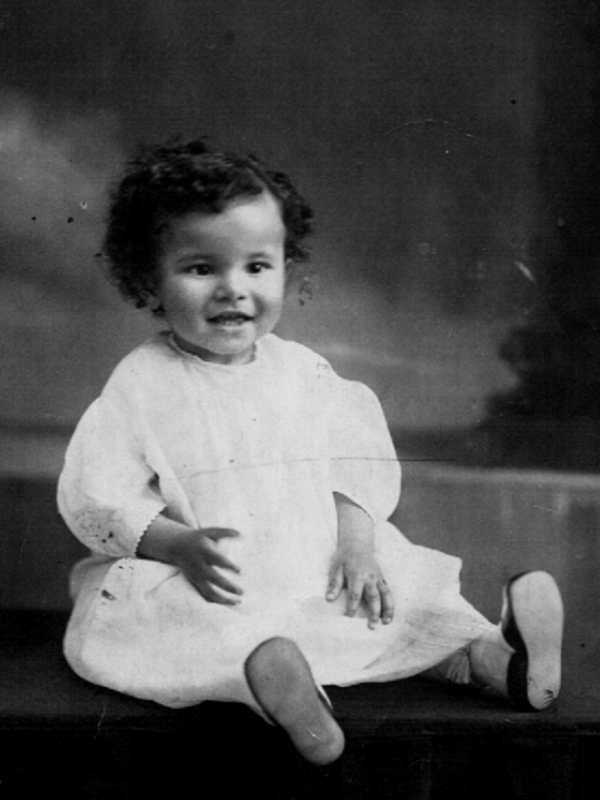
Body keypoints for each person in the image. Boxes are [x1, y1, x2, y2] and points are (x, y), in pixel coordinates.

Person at [57, 139, 564, 766]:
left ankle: (493, 659)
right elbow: (97, 491)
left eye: (256, 266)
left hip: (317, 565)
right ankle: (274, 684)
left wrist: (358, 548)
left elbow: (355, 468)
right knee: (170, 620)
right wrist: (177, 545)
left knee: (400, 600)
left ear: (286, 271)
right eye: (201, 268)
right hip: (214, 575)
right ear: (148, 282)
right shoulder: (143, 383)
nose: (232, 289)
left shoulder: (305, 372)